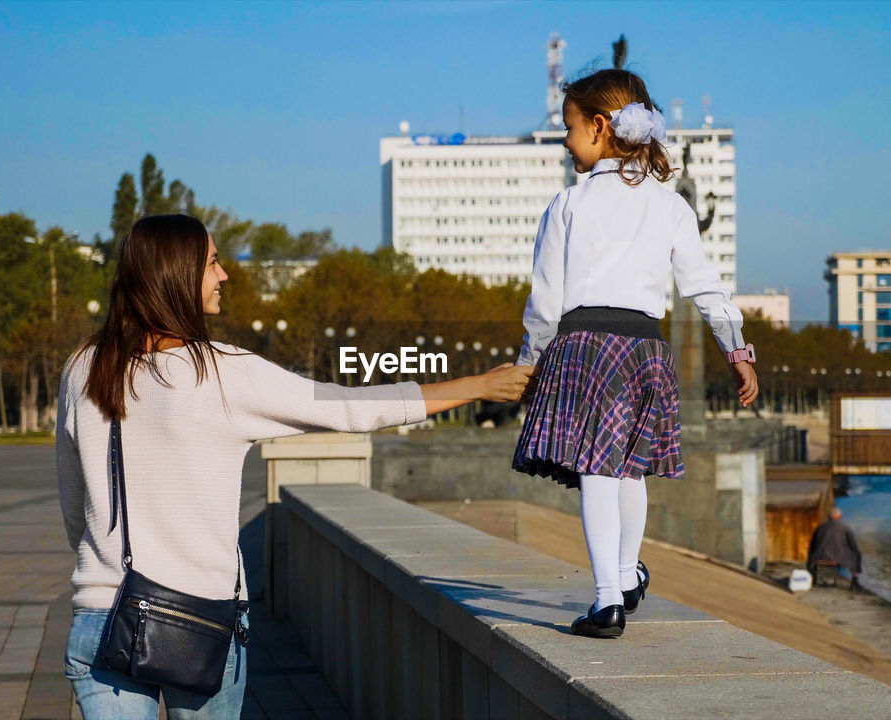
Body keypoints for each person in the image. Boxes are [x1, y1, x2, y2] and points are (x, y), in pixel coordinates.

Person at [56, 214, 534, 719]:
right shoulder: (220, 372)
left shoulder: (84, 365)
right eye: (213, 263)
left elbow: (75, 503)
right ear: (175, 276)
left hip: (103, 616)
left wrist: (108, 566)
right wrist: (478, 386)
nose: (224, 276)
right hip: (200, 623)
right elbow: (352, 408)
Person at [511, 69, 759, 639]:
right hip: (646, 348)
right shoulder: (669, 207)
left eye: (570, 129)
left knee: (597, 471)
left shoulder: (568, 204)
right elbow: (705, 286)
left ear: (601, 128)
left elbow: (544, 301)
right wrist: (736, 349)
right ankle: (625, 577)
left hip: (586, 346)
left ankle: (606, 602)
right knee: (629, 470)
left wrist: (528, 361)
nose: (566, 141)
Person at [807, 508, 863, 589]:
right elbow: (853, 545)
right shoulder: (845, 528)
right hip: (837, 559)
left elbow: (812, 544)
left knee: (812, 552)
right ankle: (854, 582)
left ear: (828, 517)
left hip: (818, 558)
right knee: (857, 554)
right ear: (840, 517)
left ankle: (814, 575)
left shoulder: (820, 527)